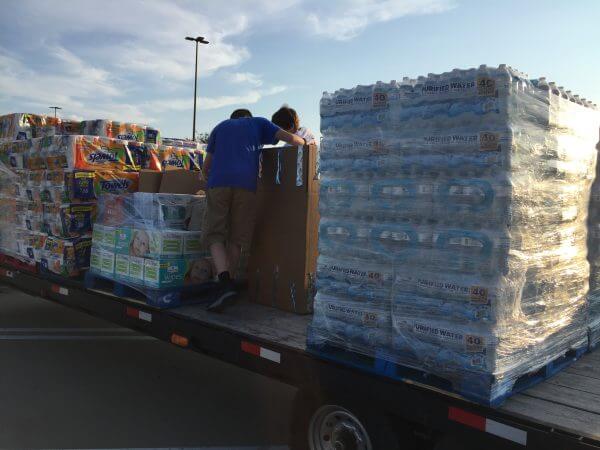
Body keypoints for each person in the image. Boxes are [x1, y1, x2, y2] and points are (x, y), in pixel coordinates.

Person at [202, 108, 306, 312]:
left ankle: (223, 282)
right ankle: (227, 284)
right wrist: (306, 142)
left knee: (214, 234)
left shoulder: (220, 127)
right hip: (246, 185)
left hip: (219, 183)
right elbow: (294, 140)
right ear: (247, 117)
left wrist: (205, 177)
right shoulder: (258, 122)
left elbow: (206, 167)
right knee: (237, 237)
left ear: (233, 118)